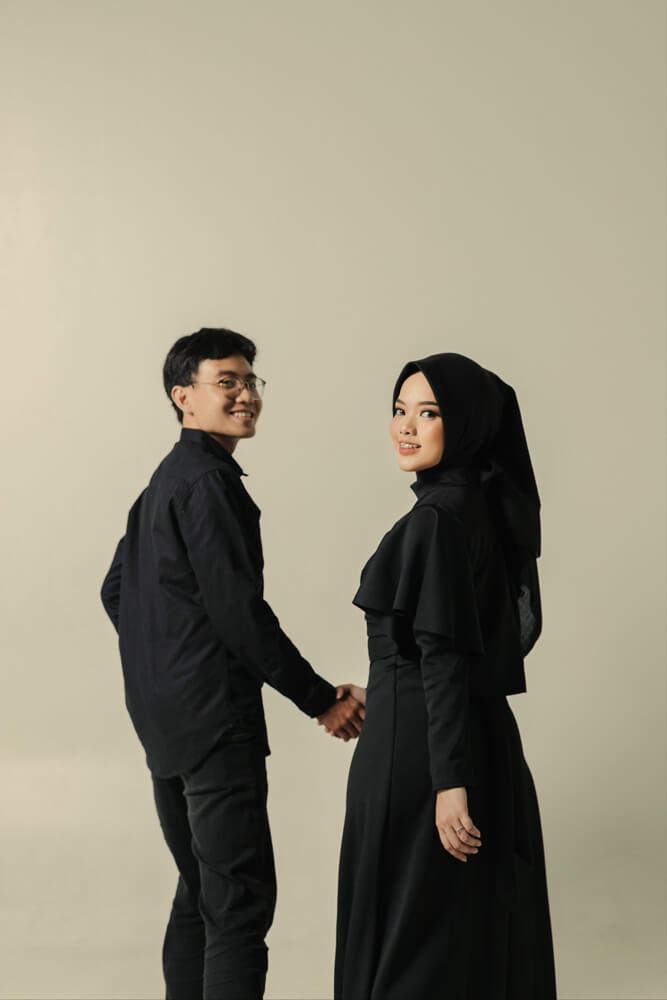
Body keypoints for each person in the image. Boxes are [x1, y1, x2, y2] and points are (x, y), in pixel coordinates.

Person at [100, 327, 364, 1000]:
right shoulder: (208, 483)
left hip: (164, 724)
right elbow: (238, 613)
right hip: (216, 724)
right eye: (227, 382)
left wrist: (167, 660)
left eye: (250, 382)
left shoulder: (163, 482)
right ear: (183, 396)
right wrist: (320, 698)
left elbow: (115, 590)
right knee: (238, 906)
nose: (245, 394)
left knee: (201, 892)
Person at [334, 353, 557, 999]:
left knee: (410, 940)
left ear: (464, 426)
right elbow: (448, 650)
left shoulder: (435, 519)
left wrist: (448, 782)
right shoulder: (478, 509)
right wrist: (384, 692)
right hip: (473, 737)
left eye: (428, 413)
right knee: (462, 932)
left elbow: (442, 656)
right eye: (399, 410)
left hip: (424, 757)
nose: (405, 427)